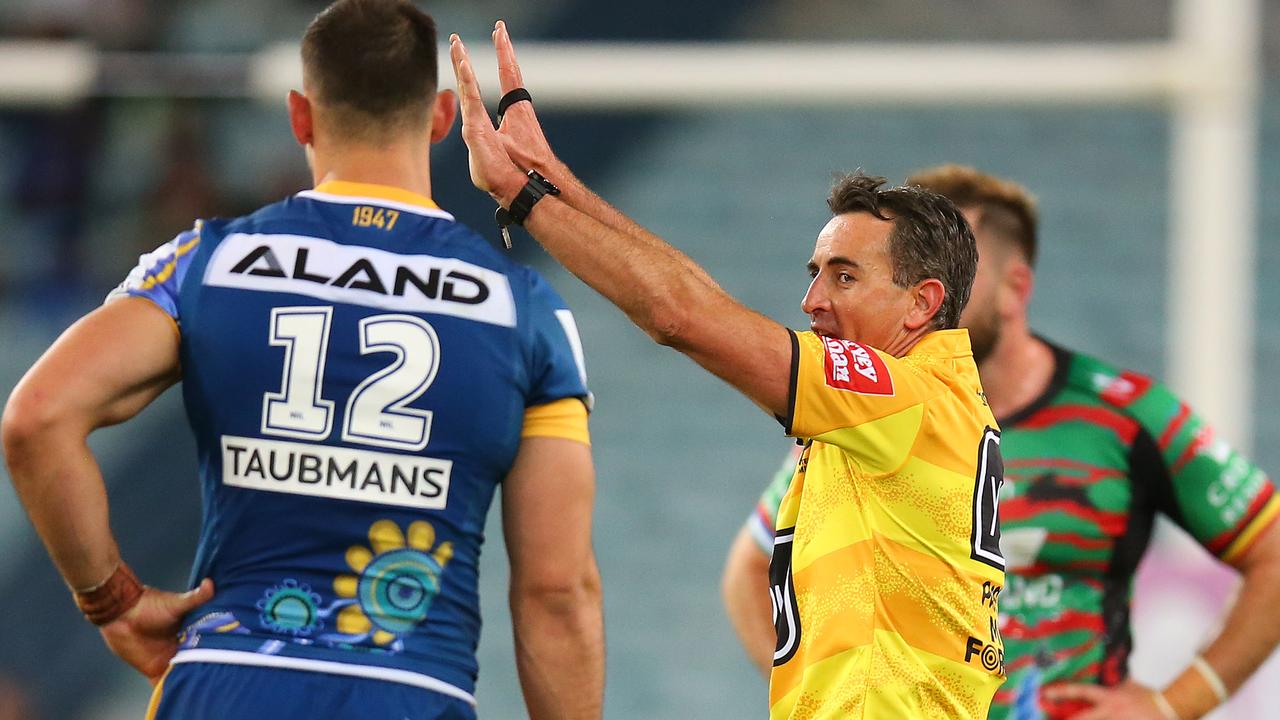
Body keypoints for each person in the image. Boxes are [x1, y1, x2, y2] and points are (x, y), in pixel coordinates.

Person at [1, 2, 603, 719]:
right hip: (410, 689)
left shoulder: (208, 263)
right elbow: (557, 593)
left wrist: (112, 601)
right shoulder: (524, 309)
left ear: (300, 115)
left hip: (227, 683)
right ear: (443, 116)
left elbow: (36, 418)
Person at [449, 25, 1007, 719]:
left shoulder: (900, 399)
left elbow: (681, 316)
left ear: (922, 302)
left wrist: (522, 198)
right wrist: (552, 178)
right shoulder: (911, 407)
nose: (812, 302)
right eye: (814, 275)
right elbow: (700, 299)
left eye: (844, 277)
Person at [722, 164, 1280, 720]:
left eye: (960, 266)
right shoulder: (861, 419)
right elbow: (749, 569)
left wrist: (1172, 705)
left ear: (1015, 288)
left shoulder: (1124, 416)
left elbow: (1273, 551)